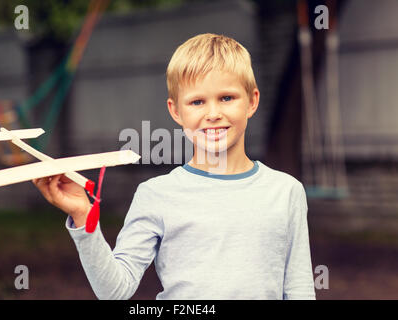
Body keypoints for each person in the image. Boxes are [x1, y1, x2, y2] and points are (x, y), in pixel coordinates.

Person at [33, 33, 316, 300]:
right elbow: (115, 291)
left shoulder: (286, 191)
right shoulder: (155, 195)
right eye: (197, 102)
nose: (213, 114)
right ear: (176, 111)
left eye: (227, 98)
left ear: (252, 102)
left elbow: (300, 289)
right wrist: (84, 215)